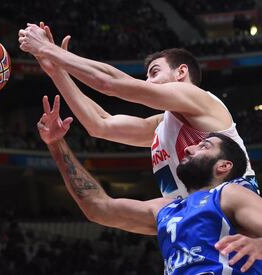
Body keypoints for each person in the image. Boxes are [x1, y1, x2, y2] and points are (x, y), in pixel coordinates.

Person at [18, 23, 259, 199]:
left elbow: (109, 83)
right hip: (195, 223)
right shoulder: (162, 125)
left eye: (154, 72)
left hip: (236, 217)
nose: (148, 82)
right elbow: (100, 124)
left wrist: (50, 50)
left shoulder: (199, 99)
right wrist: (56, 70)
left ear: (181, 72)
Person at [37, 95, 262, 274]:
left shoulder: (230, 194)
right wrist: (56, 144)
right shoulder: (167, 209)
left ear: (223, 166)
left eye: (204, 147)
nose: (189, 148)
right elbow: (98, 207)